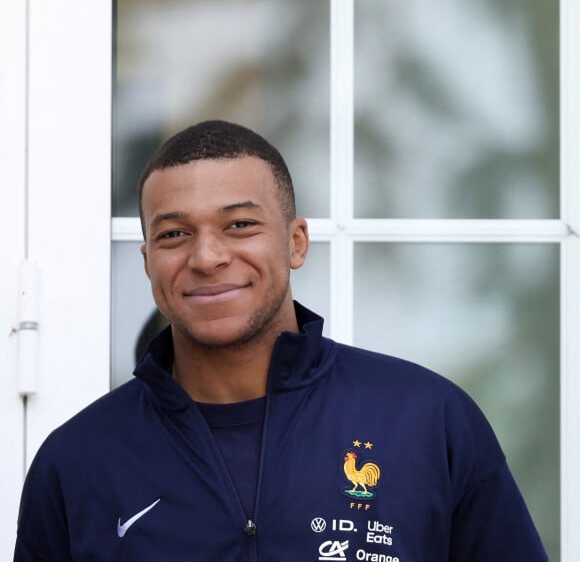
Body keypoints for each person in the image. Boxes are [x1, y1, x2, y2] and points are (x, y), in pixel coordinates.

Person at [14, 120, 547, 561]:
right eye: (174, 234)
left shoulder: (428, 421)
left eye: (240, 225)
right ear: (148, 260)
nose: (207, 257)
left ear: (296, 242)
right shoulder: (77, 461)